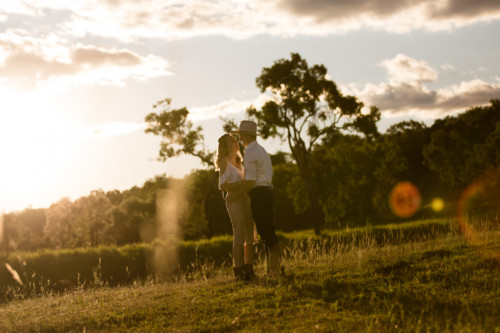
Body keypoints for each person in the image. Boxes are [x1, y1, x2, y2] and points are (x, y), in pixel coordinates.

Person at [228, 120, 282, 275]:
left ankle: (274, 269)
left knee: (265, 232)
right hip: (268, 192)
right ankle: (275, 267)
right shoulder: (262, 150)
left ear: (245, 135)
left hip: (260, 194)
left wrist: (235, 196)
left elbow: (250, 179)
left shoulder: (250, 153)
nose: (240, 139)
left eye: (241, 135)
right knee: (268, 231)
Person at [216, 133, 256, 281]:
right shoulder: (225, 162)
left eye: (235, 140)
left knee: (249, 236)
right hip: (234, 202)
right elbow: (223, 185)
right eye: (233, 141)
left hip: (246, 200)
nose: (236, 142)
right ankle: (238, 271)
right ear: (227, 146)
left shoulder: (240, 161)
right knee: (239, 234)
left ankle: (249, 269)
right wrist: (242, 185)